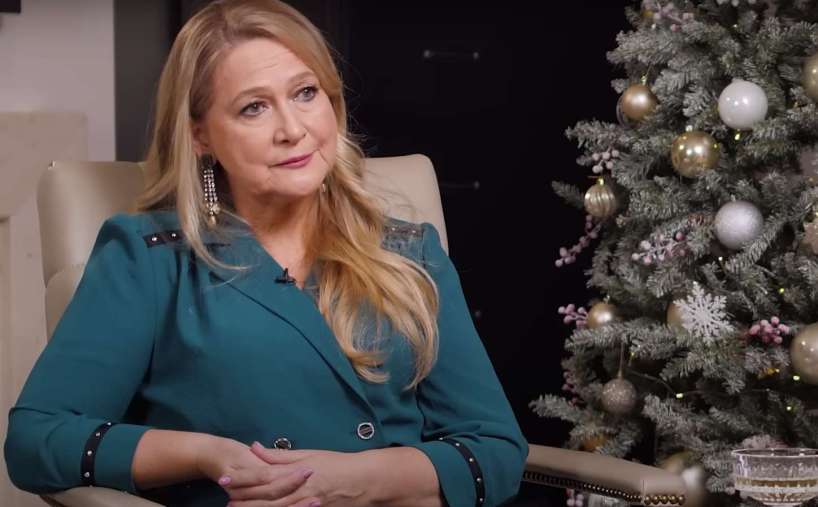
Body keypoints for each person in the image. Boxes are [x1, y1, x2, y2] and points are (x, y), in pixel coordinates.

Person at [4, 0, 527, 505]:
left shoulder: (410, 253)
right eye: (253, 107)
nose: (293, 130)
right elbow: (36, 440)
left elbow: (496, 452)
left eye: (305, 93)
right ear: (200, 135)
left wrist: (351, 481)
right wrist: (207, 455)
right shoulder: (151, 259)